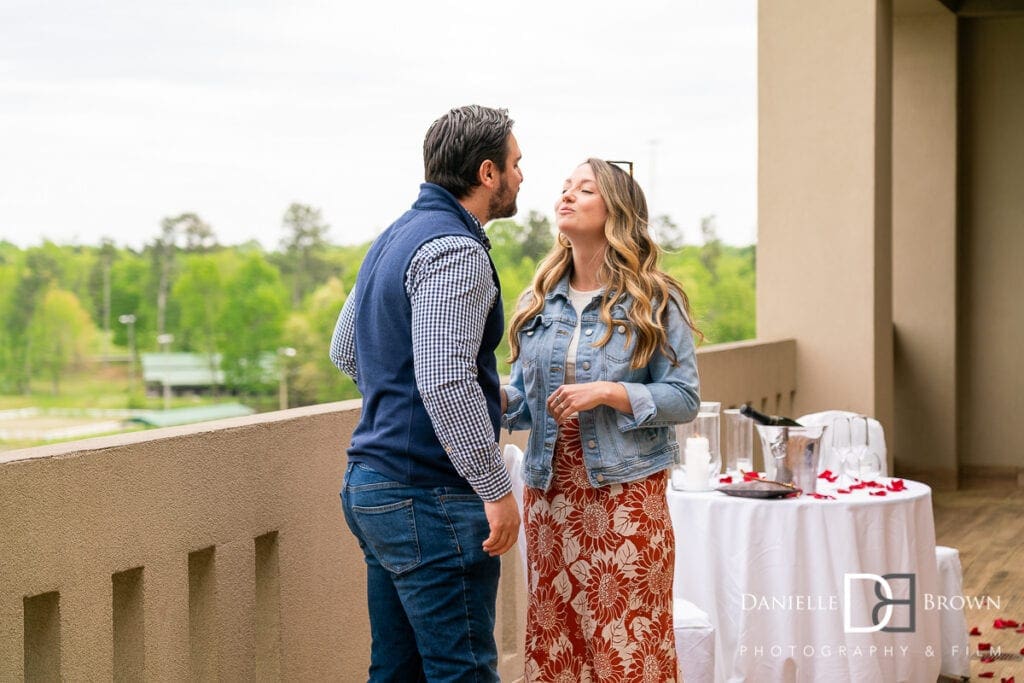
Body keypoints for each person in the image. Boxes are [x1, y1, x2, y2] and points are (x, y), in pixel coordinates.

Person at [330, 104, 523, 682]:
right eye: (516, 164)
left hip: (373, 487)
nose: (521, 177)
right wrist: (496, 489)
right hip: (429, 496)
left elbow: (347, 349)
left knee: (396, 671)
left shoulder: (393, 237)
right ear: (487, 173)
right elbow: (445, 381)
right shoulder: (457, 251)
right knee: (459, 671)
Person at [502, 158, 701, 682]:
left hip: (626, 498)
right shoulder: (538, 300)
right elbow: (522, 400)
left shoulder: (654, 299)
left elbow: (684, 398)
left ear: (615, 210)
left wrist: (611, 391)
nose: (565, 196)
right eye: (564, 188)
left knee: (626, 644)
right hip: (550, 495)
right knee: (557, 645)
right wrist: (479, 395)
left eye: (584, 190)